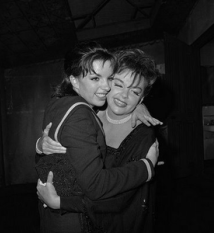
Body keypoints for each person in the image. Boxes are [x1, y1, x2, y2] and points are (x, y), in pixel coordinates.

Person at [36, 46, 160, 233]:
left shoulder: (143, 135)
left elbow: (119, 199)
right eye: (118, 84)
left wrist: (61, 203)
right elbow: (56, 163)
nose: (124, 96)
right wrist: (40, 146)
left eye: (135, 92)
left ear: (142, 98)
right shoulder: (90, 112)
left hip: (112, 223)